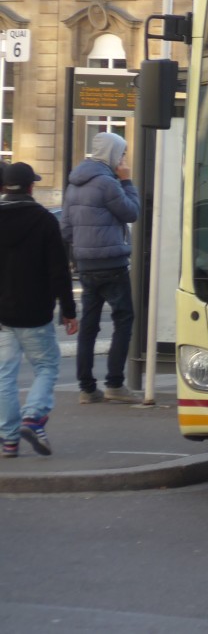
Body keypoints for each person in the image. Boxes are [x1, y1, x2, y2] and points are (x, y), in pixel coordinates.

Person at [0, 162, 78, 457]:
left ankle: (9, 440)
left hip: (3, 315)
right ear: (31, 187)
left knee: (5, 375)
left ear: (6, 187)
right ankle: (33, 418)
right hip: (35, 311)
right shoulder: (44, 220)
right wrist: (68, 311)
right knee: (46, 366)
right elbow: (59, 271)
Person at [60, 131, 141, 403]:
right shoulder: (108, 183)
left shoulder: (74, 185)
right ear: (113, 153)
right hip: (113, 263)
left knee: (90, 326)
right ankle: (115, 384)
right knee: (124, 319)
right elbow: (132, 212)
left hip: (85, 265)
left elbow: (67, 230)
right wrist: (127, 180)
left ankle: (86, 388)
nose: (123, 158)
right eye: (122, 153)